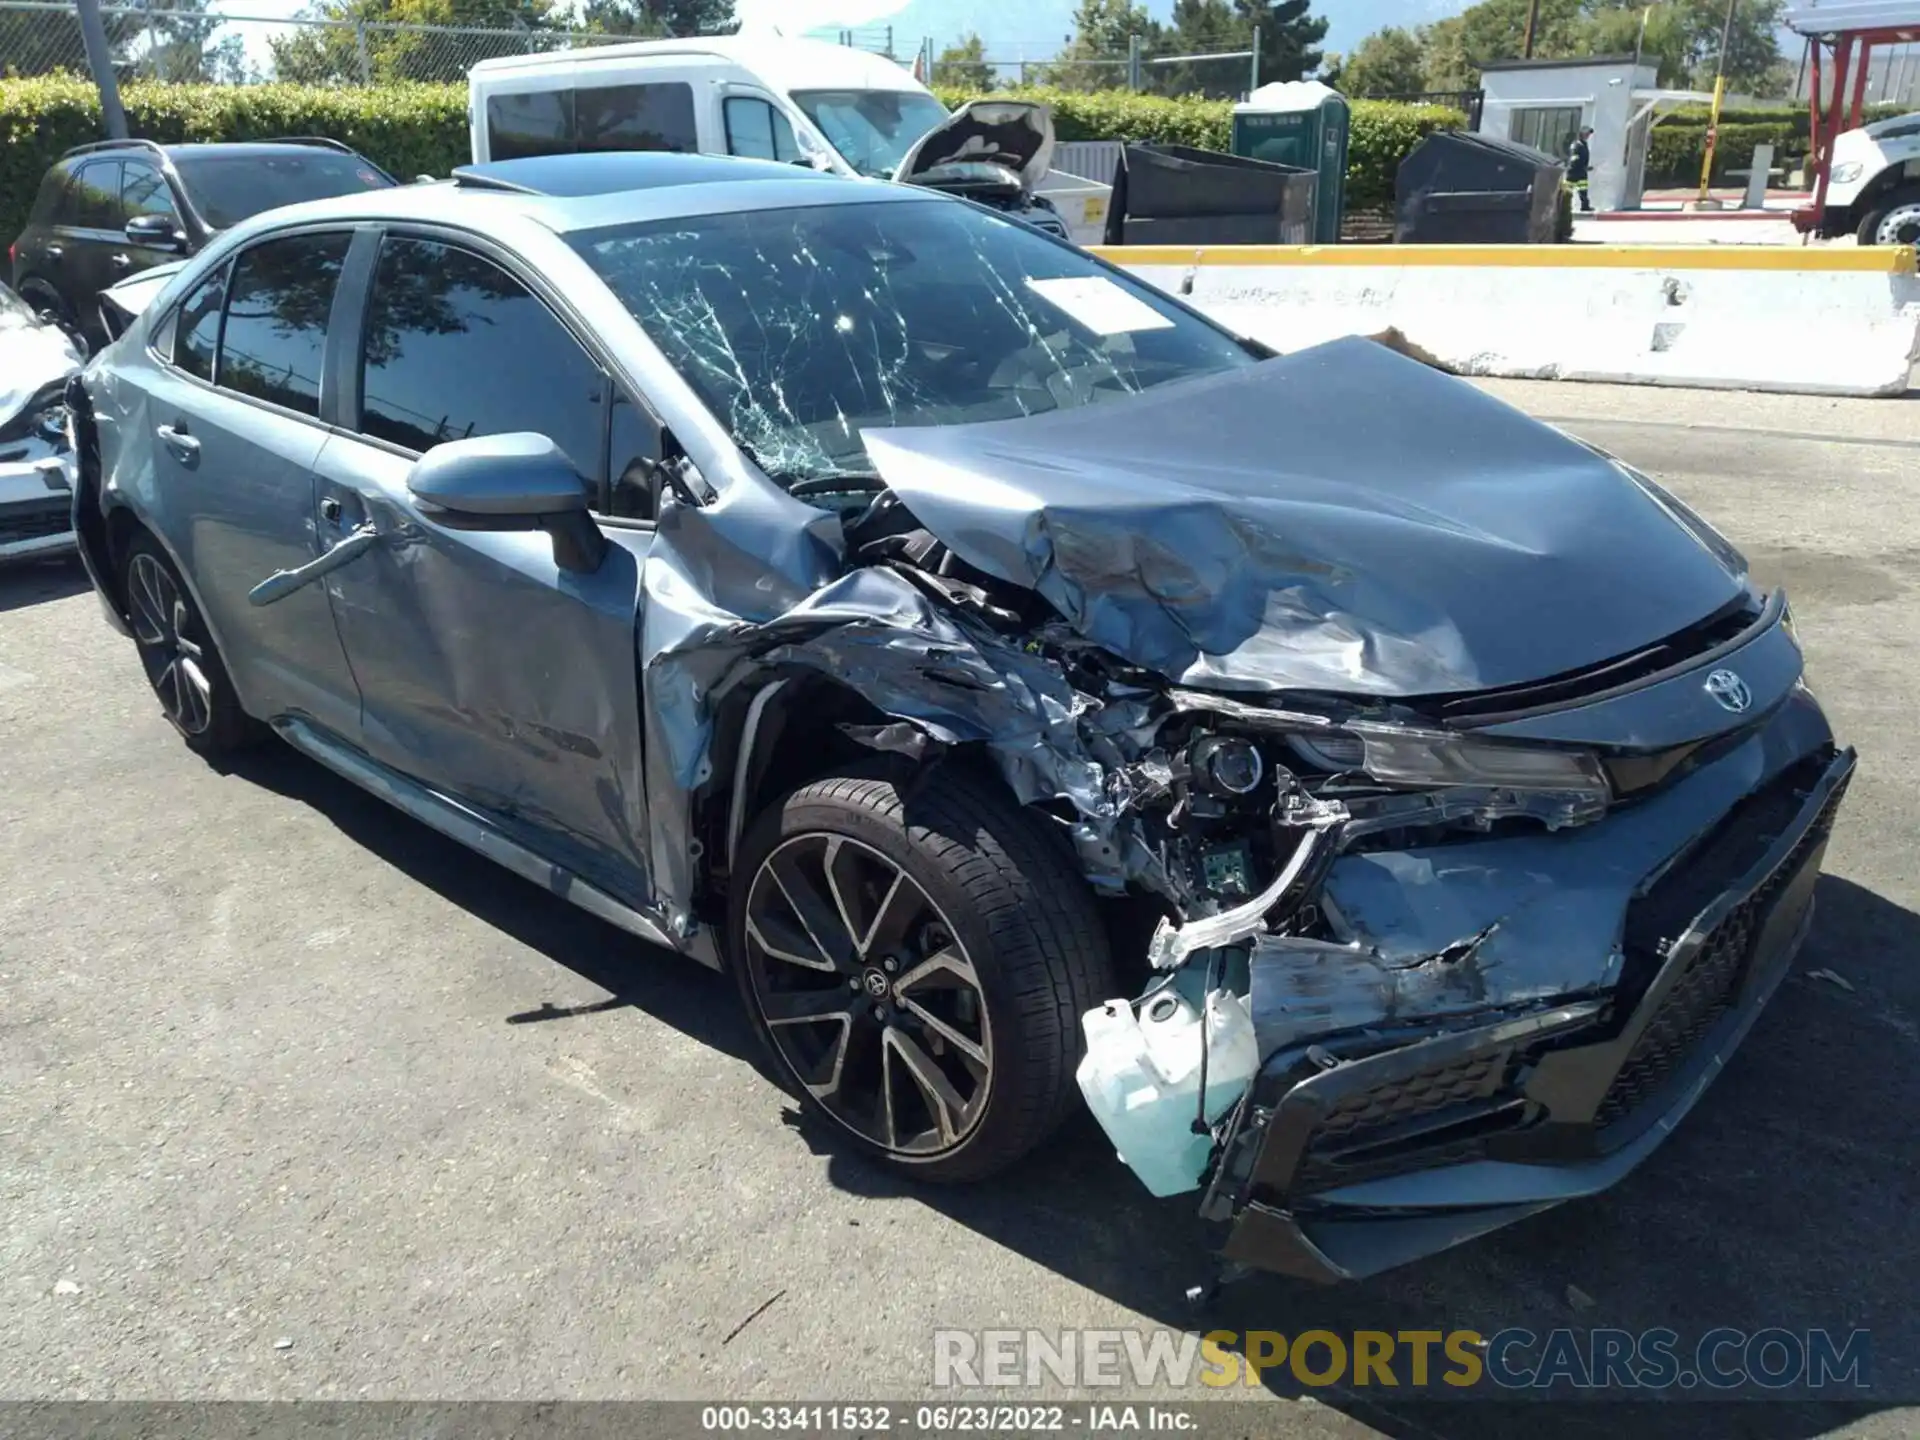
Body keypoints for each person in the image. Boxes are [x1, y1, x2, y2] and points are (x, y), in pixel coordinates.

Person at [1567, 125, 1593, 213]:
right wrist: (1578, 166)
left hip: (1582, 172)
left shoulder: (1584, 144)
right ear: (1582, 134)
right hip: (1573, 172)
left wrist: (1586, 167)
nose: (1588, 136)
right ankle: (1563, 208)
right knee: (1567, 191)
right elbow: (1574, 159)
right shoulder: (1576, 145)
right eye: (1587, 133)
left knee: (1583, 190)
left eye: (1589, 134)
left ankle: (1585, 206)